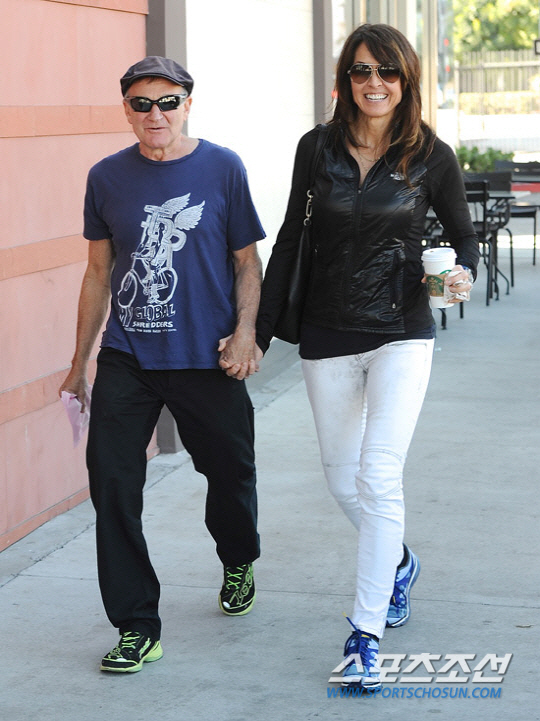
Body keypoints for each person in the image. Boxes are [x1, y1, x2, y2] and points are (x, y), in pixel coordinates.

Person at [254, 24, 479, 691]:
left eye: (386, 71)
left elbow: (464, 240)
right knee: (342, 480)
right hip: (326, 331)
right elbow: (290, 240)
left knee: (379, 476)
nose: (373, 83)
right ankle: (400, 562)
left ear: (405, 79)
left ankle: (365, 633)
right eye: (360, 71)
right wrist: (256, 333)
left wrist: (460, 274)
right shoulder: (316, 148)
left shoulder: (432, 156)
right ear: (344, 80)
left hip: (401, 330)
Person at [59, 56, 265, 673]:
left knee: (230, 473)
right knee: (113, 484)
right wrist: (79, 364)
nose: (156, 114)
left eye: (168, 102)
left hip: (208, 356)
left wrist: (246, 334)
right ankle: (136, 625)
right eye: (142, 103)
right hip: (129, 356)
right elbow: (98, 274)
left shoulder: (223, 168)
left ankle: (237, 557)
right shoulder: (106, 177)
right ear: (126, 109)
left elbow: (247, 263)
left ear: (187, 105)